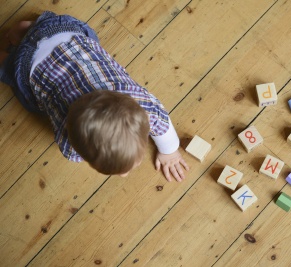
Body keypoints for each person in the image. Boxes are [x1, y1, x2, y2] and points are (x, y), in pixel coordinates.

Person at [0, 11, 189, 182]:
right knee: (11, 73)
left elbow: (162, 124)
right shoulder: (70, 145)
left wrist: (170, 151)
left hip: (64, 33)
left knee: (33, 31)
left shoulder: (144, 105)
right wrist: (168, 153)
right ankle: (15, 44)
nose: (125, 174)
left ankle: (23, 30)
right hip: (29, 62)